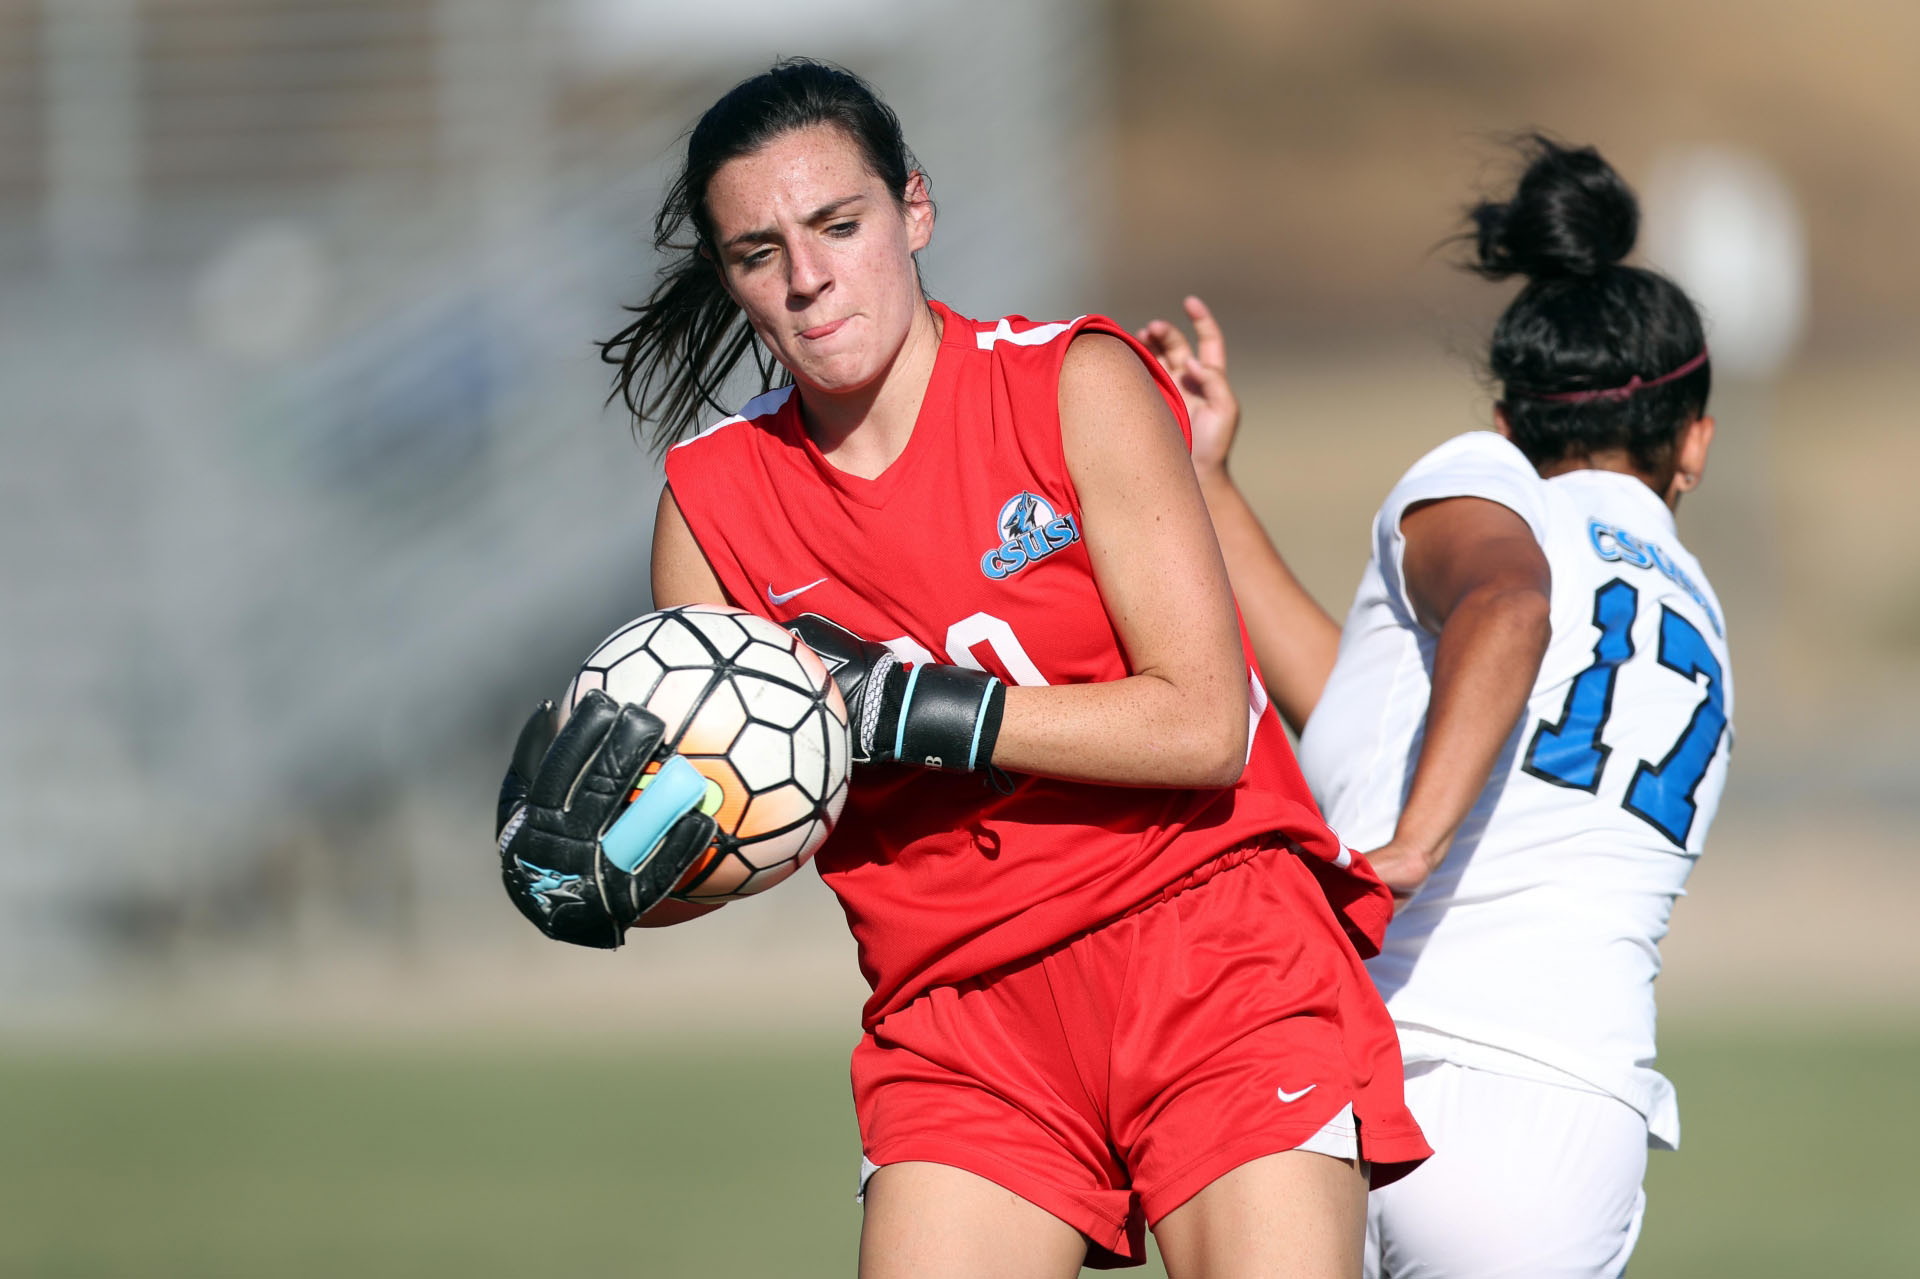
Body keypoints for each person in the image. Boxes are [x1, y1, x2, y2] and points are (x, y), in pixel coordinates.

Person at [497, 59, 1429, 1277]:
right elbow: (741, 820)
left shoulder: (1075, 385)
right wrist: (611, 874)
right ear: (731, 279)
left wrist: (908, 706)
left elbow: (1204, 724)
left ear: (914, 210)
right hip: (959, 1020)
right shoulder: (712, 500)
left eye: (840, 224)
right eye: (759, 251)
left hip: (1210, 950)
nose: (809, 276)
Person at [1138, 136, 1731, 1278]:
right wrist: (1204, 481)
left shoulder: (1486, 490)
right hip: (1561, 1114)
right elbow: (1366, 710)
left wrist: (1411, 846)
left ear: (1509, 421)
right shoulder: (1694, 609)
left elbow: (1508, 608)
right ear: (1692, 444)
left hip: (1370, 1061)